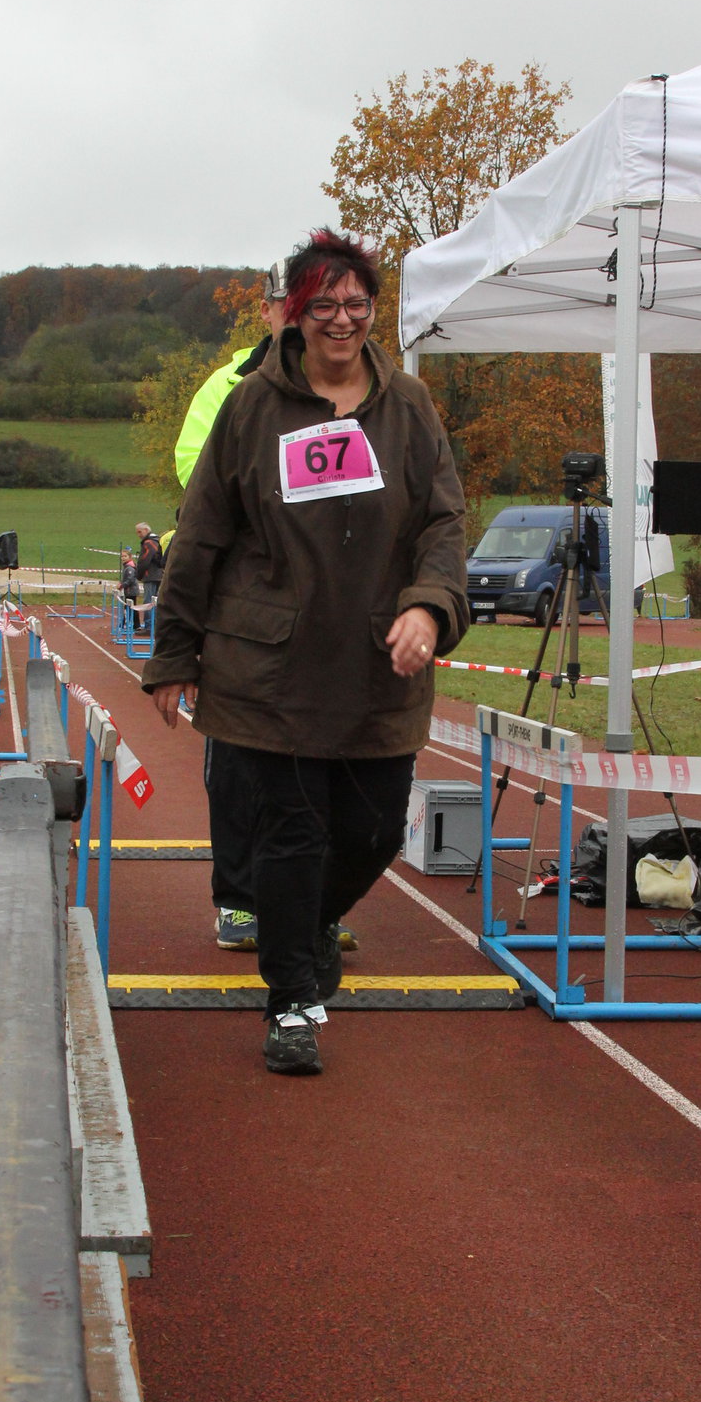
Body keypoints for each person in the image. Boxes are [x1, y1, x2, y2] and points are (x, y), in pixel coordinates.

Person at [143, 228, 469, 1077]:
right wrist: (174, 654)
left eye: (356, 304)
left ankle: (306, 928)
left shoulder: (410, 408)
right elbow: (202, 535)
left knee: (372, 831)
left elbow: (443, 524)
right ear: (295, 312)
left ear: (373, 311)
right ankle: (291, 1002)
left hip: (377, 668)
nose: (341, 319)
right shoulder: (251, 407)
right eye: (323, 304)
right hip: (271, 671)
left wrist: (430, 606)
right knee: (290, 837)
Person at [174, 265, 293, 953]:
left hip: (325, 611)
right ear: (268, 310)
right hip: (242, 604)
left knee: (320, 770)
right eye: (288, 303)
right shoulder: (225, 386)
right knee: (239, 763)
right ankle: (240, 901)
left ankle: (314, 905)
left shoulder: (356, 387)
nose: (302, 316)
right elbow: (194, 472)